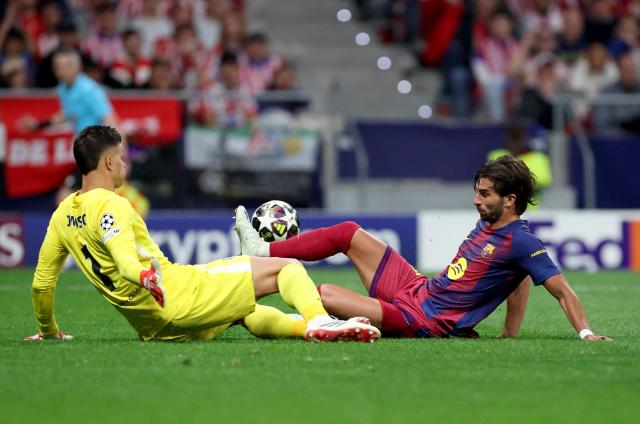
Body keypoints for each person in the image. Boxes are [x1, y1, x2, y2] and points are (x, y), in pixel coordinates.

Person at [25, 125, 379, 343]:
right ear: (107, 163)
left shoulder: (62, 215)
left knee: (244, 309)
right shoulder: (113, 204)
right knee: (287, 267)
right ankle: (319, 321)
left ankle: (307, 328)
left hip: (153, 326)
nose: (124, 163)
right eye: (121, 157)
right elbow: (125, 260)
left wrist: (48, 329)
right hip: (179, 296)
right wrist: (145, 277)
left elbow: (42, 283)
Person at [234, 155, 612, 342]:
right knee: (350, 233)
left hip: (424, 320)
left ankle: (238, 306)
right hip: (417, 288)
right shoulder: (491, 226)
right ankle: (262, 252)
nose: (476, 200)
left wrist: (585, 333)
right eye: (477, 191)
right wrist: (507, 336)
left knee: (324, 294)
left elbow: (560, 289)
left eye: (484, 194)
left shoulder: (522, 240)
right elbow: (516, 279)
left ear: (509, 200)